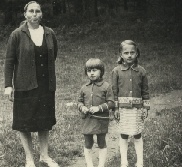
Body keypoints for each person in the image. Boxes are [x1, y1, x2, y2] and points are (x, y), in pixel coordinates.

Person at [4, 1, 59, 167]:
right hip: (24, 84)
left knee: (44, 122)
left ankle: (44, 156)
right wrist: (8, 85)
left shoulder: (49, 33)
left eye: (37, 11)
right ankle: (29, 159)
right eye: (31, 11)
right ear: (25, 15)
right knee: (24, 122)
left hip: (45, 85)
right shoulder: (17, 35)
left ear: (41, 14)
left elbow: (53, 54)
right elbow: (9, 61)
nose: (34, 14)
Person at [111, 40, 150, 167]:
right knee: (124, 134)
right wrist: (115, 108)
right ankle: (124, 161)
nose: (129, 55)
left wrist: (146, 107)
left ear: (137, 54)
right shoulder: (116, 71)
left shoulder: (141, 71)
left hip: (137, 109)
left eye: (132, 52)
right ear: (120, 54)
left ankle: (140, 162)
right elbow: (114, 91)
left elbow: (145, 91)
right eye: (126, 53)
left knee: (137, 133)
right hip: (122, 109)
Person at [78, 58, 115, 167]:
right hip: (88, 120)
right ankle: (89, 165)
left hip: (101, 120)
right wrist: (82, 107)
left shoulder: (106, 86)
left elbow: (111, 103)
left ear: (101, 71)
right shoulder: (84, 88)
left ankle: (101, 165)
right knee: (88, 143)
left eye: (94, 70)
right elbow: (79, 102)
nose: (92, 73)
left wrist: (99, 108)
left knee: (101, 142)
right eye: (89, 71)